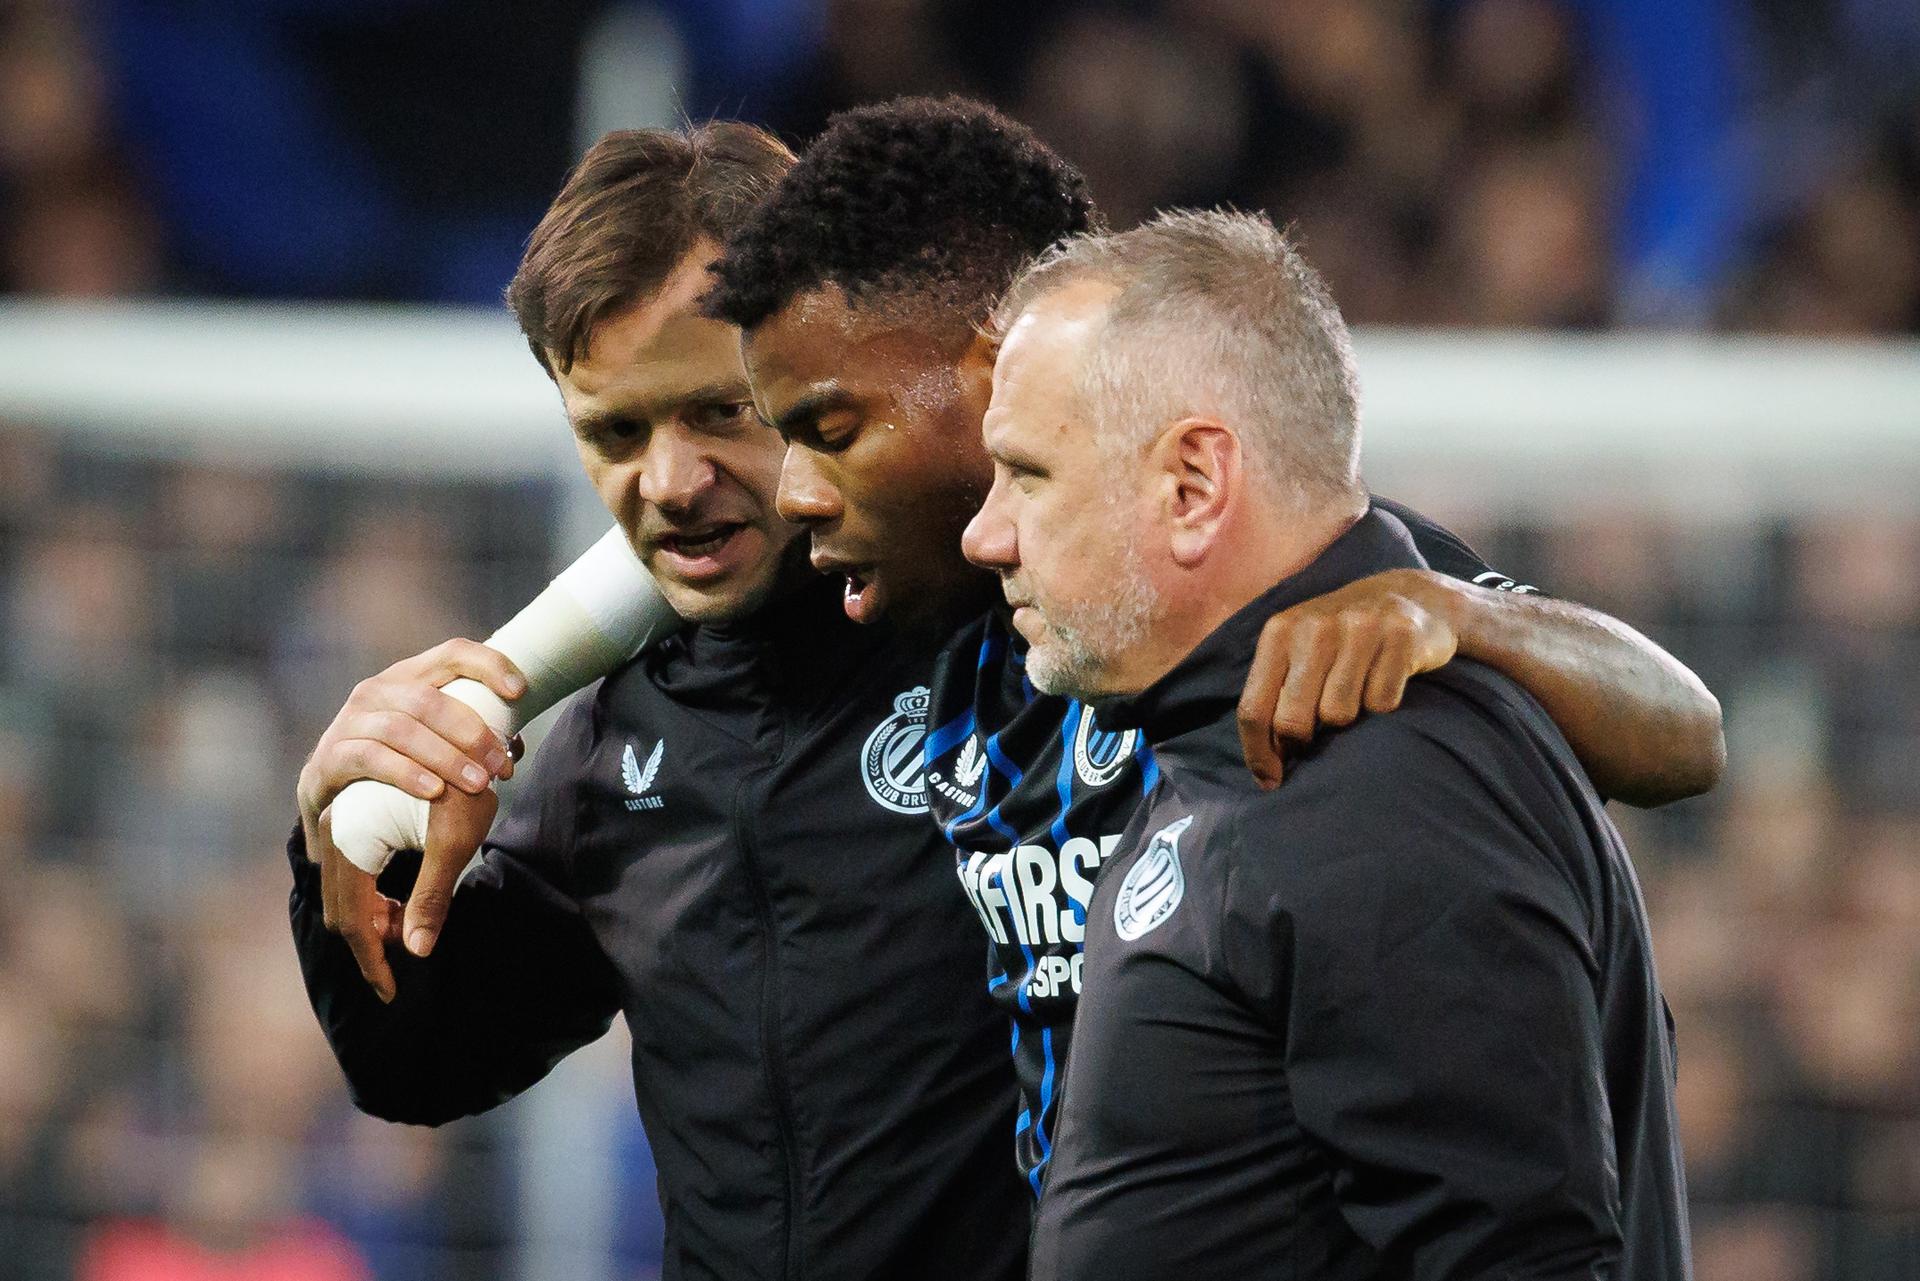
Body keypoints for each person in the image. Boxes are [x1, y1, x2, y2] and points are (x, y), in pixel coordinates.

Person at [700, 94, 1721, 1197]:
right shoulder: (927, 623)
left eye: (833, 430)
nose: (798, 491)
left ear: (1001, 363)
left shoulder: (1294, 597)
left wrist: (1467, 615)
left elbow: (1687, 736)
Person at [288, 123, 1034, 1281]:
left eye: (718, 411)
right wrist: (345, 827)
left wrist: (1389, 590)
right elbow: (417, 1065)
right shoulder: (610, 743)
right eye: (615, 433)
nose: (670, 485)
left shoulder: (1033, 630)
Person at [965, 208, 1689, 1278]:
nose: (987, 532)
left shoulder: (1382, 786)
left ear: (1194, 487)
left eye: (1026, 475)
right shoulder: (1233, 729)